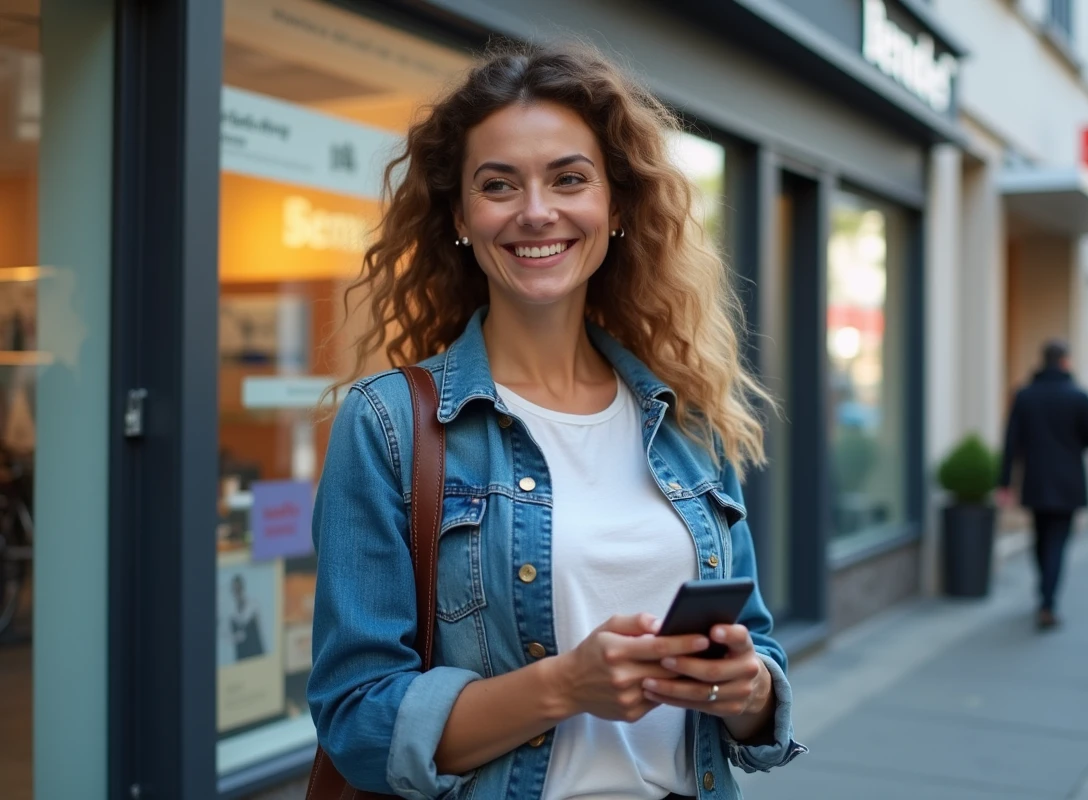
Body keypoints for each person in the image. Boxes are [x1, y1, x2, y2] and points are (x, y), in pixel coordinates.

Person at [307, 42, 803, 800]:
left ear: (617, 206)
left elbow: (757, 657)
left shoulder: (687, 421)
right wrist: (566, 685)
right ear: (462, 219)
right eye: (499, 185)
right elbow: (359, 722)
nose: (537, 211)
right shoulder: (388, 426)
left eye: (569, 178)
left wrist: (745, 690)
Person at [998, 339, 1088, 630]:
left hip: (1036, 478)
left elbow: (1011, 442)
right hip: (1068, 480)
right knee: (1058, 540)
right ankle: (1048, 600)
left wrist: (1004, 482)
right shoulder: (1078, 396)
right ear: (1065, 362)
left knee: (1041, 537)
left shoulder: (1025, 395)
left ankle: (1044, 592)